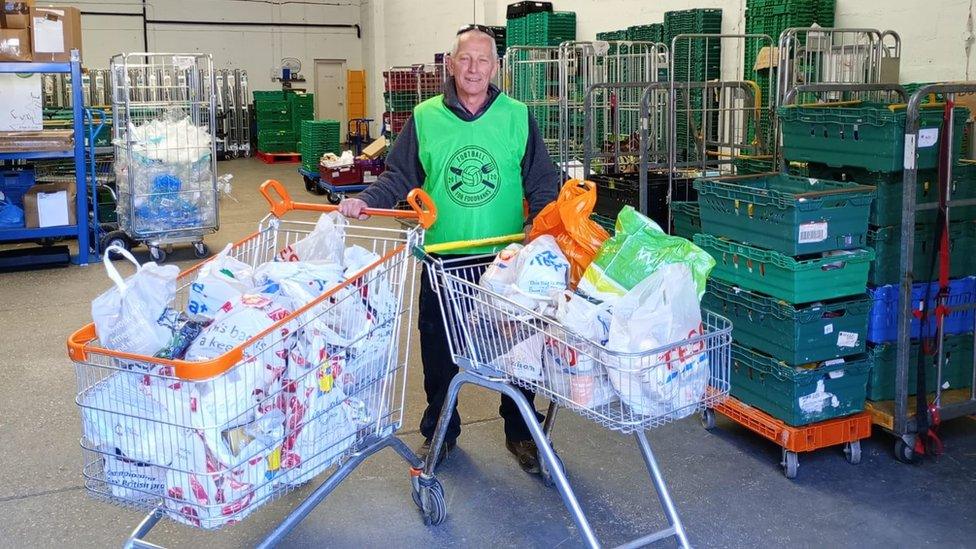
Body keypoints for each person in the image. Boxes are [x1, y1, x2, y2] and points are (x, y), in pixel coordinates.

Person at [339, 24, 560, 474]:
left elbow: (541, 180)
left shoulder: (517, 115)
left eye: (483, 60)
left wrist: (544, 230)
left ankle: (520, 431)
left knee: (516, 348)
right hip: (445, 257)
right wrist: (366, 200)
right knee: (439, 349)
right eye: (465, 59)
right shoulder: (425, 117)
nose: (474, 68)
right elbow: (400, 176)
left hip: (506, 261)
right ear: (451, 64)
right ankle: (441, 431)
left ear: (497, 67)